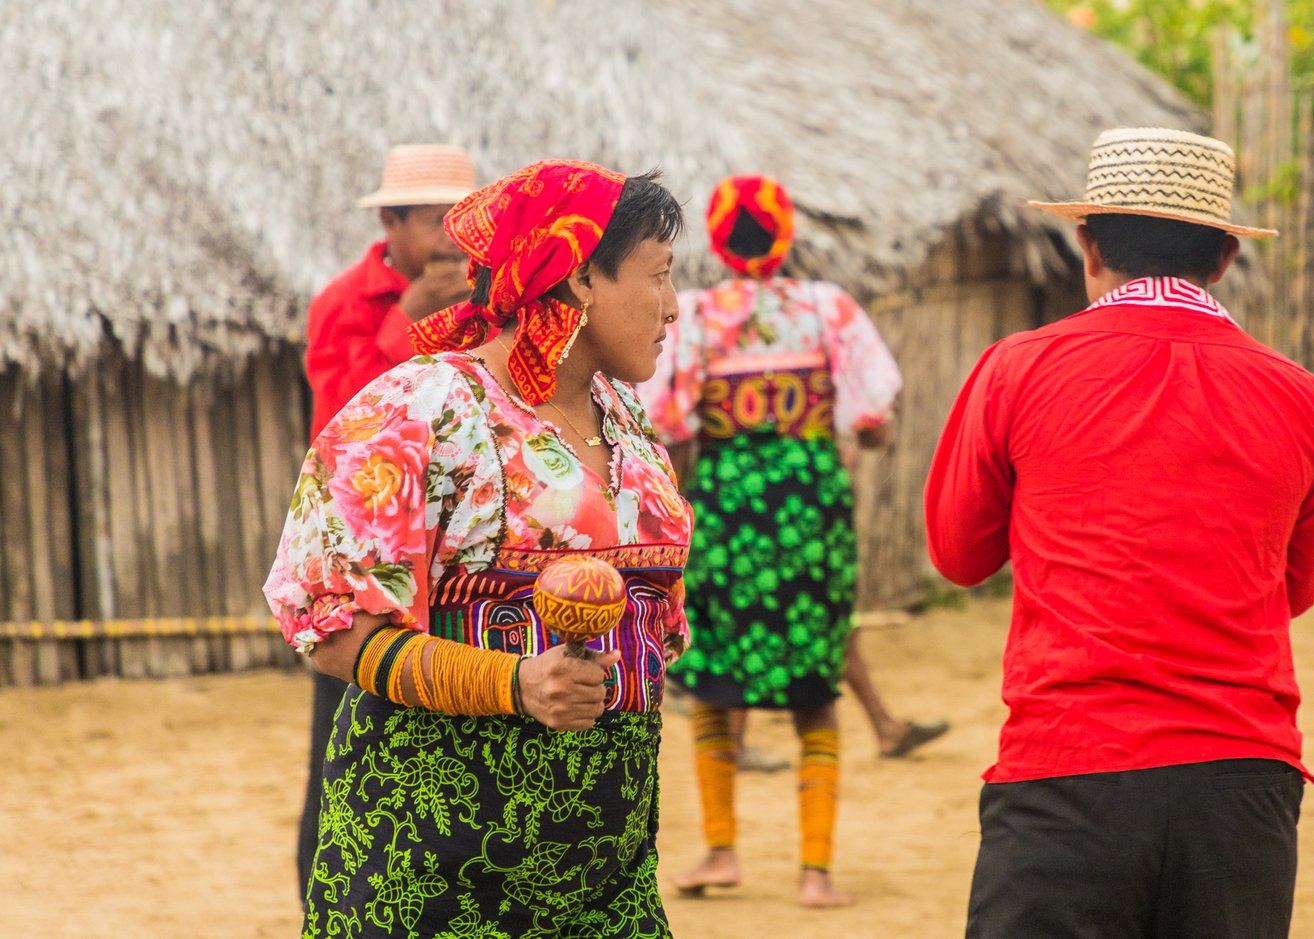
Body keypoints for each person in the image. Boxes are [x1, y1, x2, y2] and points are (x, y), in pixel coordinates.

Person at [927, 127, 1314, 938]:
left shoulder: (1017, 369)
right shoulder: (1300, 397)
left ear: (1086, 242)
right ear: (1224, 257)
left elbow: (958, 553)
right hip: (1243, 782)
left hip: (1067, 774)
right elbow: (1296, 587)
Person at [265, 159, 693, 937]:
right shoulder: (417, 412)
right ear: (577, 282)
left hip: (605, 885)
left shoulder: (629, 425)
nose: (673, 308)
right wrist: (516, 683)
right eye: (658, 276)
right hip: (435, 879)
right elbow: (331, 627)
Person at [645, 175, 905, 908]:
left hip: (730, 517)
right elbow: (874, 414)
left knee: (713, 685)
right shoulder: (828, 311)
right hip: (811, 518)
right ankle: (815, 872)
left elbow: (664, 416)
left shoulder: (695, 317)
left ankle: (722, 852)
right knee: (814, 691)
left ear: (721, 242)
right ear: (785, 235)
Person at [293, 143, 476, 897]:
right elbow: (343, 424)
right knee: (344, 737)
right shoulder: (343, 305)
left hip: (453, 560)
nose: (449, 240)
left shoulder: (483, 303)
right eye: (435, 220)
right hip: (367, 566)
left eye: (461, 221)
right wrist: (407, 322)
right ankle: (327, 898)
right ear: (393, 223)